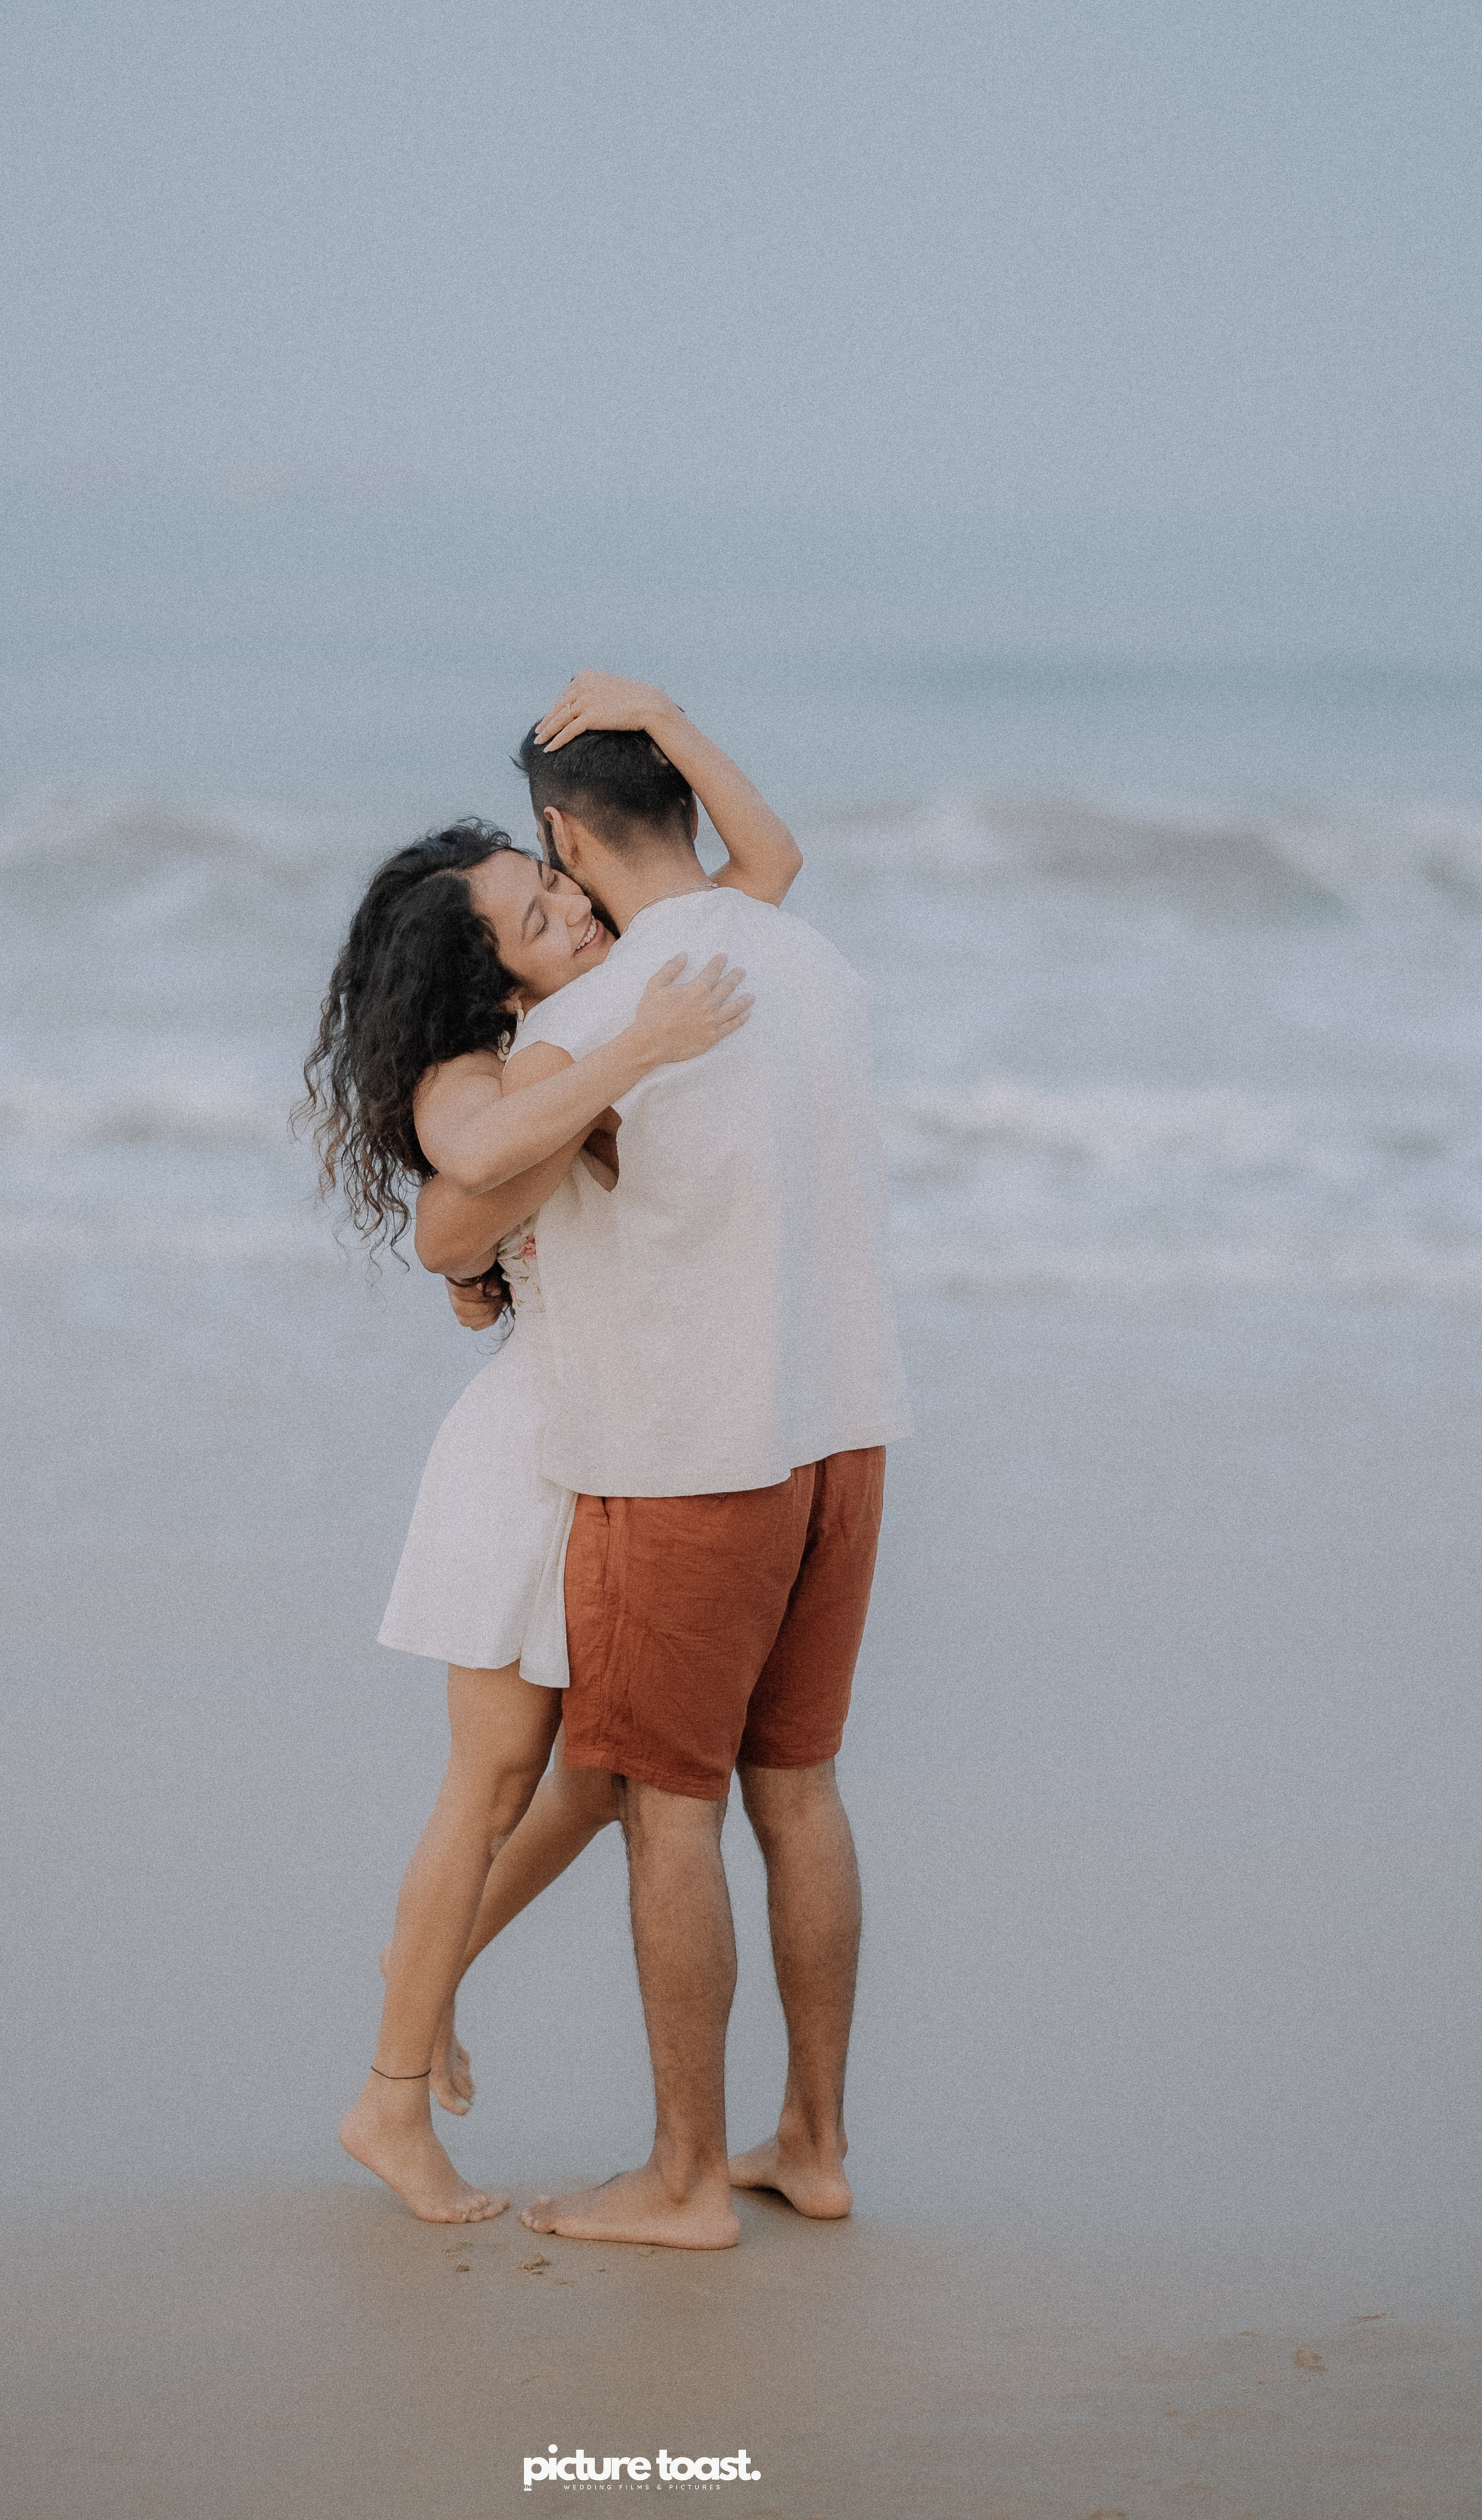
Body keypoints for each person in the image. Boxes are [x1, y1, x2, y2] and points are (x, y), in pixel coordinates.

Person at [415, 672, 912, 2248]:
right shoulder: (803, 958)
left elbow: (457, 1211)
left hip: (689, 1461)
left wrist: (460, 1262)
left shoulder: (578, 1028)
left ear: (561, 835)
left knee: (675, 1811)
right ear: (677, 800)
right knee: (800, 1792)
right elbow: (764, 857)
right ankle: (811, 2147)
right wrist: (679, 721)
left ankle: (686, 2178)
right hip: (840, 1436)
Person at [298, 684, 802, 2225]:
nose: (574, 908)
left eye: (558, 881)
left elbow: (767, 869)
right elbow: (457, 1188)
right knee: (502, 1775)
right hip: (529, 1451)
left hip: (600, 1429)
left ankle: (423, 1977)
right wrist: (641, 1042)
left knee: (590, 1776)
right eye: (536, 909)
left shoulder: (572, 1016)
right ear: (485, 966)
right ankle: (393, 2092)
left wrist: (667, 716)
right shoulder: (485, 1063)